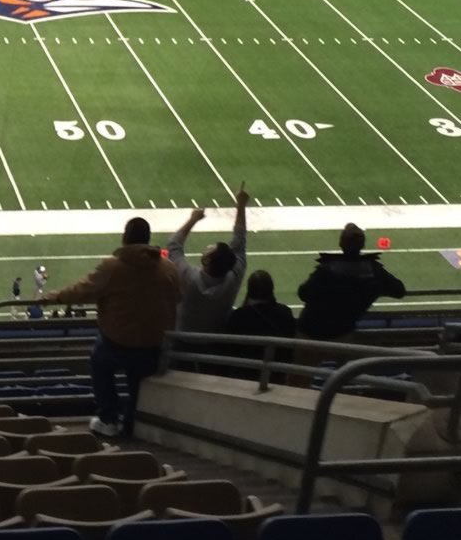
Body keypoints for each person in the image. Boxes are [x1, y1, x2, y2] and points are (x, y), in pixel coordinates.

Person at [43, 217, 179, 439]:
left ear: (125, 237)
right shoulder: (168, 268)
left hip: (117, 341)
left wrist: (55, 297)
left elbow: (83, 290)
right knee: (138, 386)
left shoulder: (112, 267)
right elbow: (177, 298)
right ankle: (132, 426)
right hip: (153, 343)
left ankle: (108, 418)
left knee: (100, 363)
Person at [296, 223, 406, 346]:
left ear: (341, 244)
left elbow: (303, 293)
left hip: (310, 332)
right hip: (342, 333)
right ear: (363, 245)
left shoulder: (327, 269)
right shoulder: (374, 271)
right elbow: (399, 290)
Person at [167, 186, 249, 335]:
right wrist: (241, 206)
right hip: (216, 341)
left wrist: (192, 220)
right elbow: (240, 242)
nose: (208, 246)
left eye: (210, 249)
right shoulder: (232, 280)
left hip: (182, 339)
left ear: (207, 261)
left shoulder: (189, 277)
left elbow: (174, 245)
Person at [226, 269, 298, 379]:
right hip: (276, 373)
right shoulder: (285, 312)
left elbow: (230, 348)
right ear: (271, 289)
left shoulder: (239, 316)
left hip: (245, 373)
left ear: (249, 289)